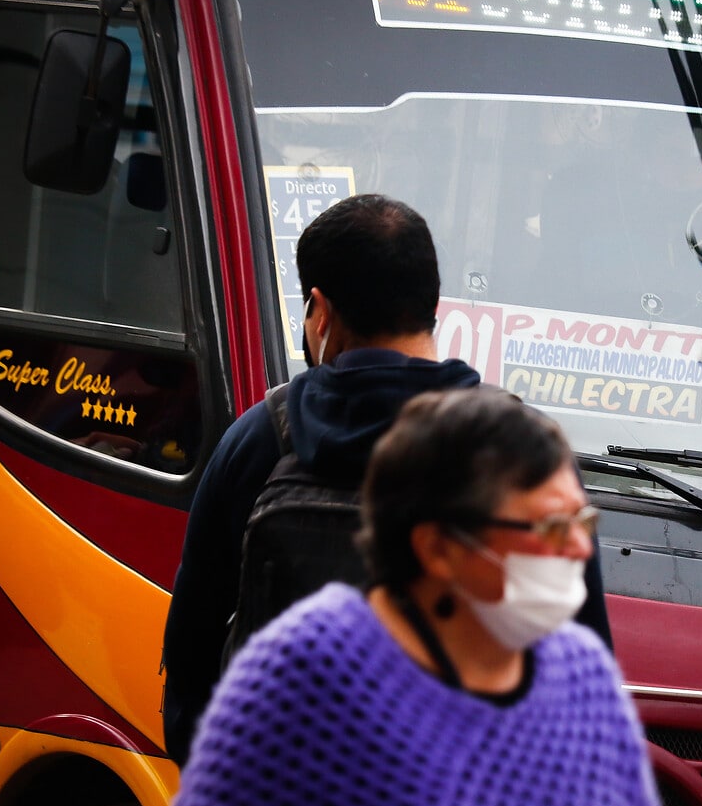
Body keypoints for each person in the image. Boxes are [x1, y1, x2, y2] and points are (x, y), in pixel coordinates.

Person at [161, 194, 612, 766]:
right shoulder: (529, 454)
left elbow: (192, 655)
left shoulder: (262, 440)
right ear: (433, 305)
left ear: (320, 313)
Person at [168, 388, 665, 806]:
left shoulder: (582, 676)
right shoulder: (301, 671)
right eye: (551, 528)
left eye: (584, 522)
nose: (580, 549)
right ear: (439, 548)